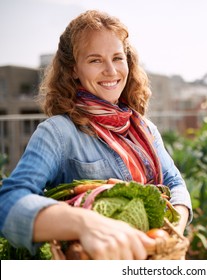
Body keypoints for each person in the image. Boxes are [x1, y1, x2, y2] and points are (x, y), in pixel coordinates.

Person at [0, 10, 192, 260]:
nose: (111, 71)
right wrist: (85, 223)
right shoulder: (59, 132)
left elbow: (175, 184)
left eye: (117, 58)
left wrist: (169, 234)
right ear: (73, 70)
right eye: (95, 60)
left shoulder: (144, 128)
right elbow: (8, 203)